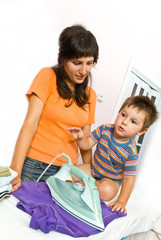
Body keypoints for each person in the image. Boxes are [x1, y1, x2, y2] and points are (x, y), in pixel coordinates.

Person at [10, 24, 99, 192]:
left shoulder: (90, 96)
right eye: (77, 63)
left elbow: (85, 142)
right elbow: (31, 123)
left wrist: (90, 178)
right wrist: (16, 169)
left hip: (66, 173)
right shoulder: (47, 76)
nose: (84, 70)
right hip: (36, 164)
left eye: (89, 63)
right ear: (63, 58)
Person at [67, 96, 158, 214]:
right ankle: (88, 183)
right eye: (123, 115)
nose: (124, 122)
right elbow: (87, 145)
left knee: (106, 191)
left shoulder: (131, 152)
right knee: (68, 171)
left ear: (141, 131)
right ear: (119, 112)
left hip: (111, 179)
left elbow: (129, 179)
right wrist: (79, 138)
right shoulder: (104, 129)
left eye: (133, 122)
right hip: (94, 169)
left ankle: (85, 184)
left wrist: (122, 201)